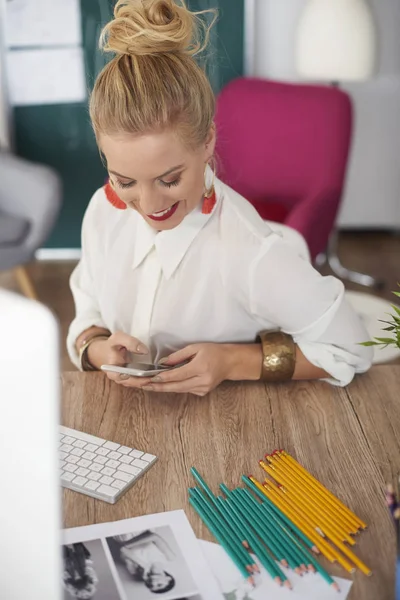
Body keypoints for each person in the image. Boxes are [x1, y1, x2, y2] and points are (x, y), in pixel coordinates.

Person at [67, 0, 373, 395]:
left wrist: (233, 360)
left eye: (169, 179)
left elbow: (353, 348)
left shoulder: (251, 253)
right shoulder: (101, 212)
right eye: (125, 182)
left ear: (207, 140)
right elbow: (87, 304)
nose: (147, 205)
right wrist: (94, 348)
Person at [108, 530, 176, 594]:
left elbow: (121, 549)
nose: (153, 583)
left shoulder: (134, 570)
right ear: (168, 579)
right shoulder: (169, 558)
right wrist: (125, 545)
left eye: (150, 586)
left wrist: (143, 564)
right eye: (159, 584)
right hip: (139, 529)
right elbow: (154, 537)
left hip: (120, 535)